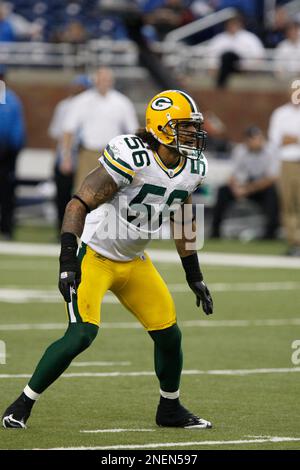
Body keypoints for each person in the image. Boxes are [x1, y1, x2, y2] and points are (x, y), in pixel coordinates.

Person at [2, 89, 214, 430]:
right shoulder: (133, 156)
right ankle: (21, 404)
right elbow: (77, 204)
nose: (192, 134)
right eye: (184, 127)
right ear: (161, 128)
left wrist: (194, 274)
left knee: (169, 335)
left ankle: (170, 409)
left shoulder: (193, 167)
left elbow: (183, 215)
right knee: (82, 334)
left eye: (193, 127)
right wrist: (68, 261)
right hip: (95, 255)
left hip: (133, 260)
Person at [61, 67, 139, 191]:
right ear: (95, 80)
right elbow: (68, 130)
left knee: (111, 194)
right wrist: (66, 156)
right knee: (83, 193)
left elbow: (133, 132)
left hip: (113, 156)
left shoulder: (122, 102)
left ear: (111, 81)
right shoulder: (81, 101)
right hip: (88, 153)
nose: (103, 82)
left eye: (106, 79)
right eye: (101, 79)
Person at [211, 126, 280, 239]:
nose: (257, 142)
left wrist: (248, 189)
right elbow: (232, 174)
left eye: (258, 138)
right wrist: (236, 189)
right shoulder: (239, 150)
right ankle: (215, 232)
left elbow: (271, 178)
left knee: (272, 193)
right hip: (243, 185)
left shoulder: (271, 151)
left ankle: (270, 234)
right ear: (247, 141)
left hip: (261, 187)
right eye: (253, 139)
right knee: (222, 191)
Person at [48, 75, 92, 234]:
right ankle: (62, 228)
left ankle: (80, 229)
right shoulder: (64, 106)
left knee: (83, 195)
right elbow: (57, 134)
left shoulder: (90, 105)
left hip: (83, 155)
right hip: (67, 155)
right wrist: (58, 158)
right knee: (62, 194)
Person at [268, 82, 300, 256]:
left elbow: (286, 138)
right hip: (288, 163)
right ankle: (295, 242)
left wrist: (291, 138)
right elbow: (275, 140)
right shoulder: (281, 113)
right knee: (289, 203)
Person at [0, 65, 26, 240]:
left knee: (7, 191)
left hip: (6, 153)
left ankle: (6, 229)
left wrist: (12, 148)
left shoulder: (11, 100)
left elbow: (18, 130)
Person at [207, 14, 265, 88]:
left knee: (230, 57)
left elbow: (259, 57)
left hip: (246, 71)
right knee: (227, 57)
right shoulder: (218, 39)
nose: (233, 25)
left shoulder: (250, 38)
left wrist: (248, 69)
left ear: (240, 24)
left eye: (235, 23)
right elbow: (210, 60)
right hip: (222, 71)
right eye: (230, 23)